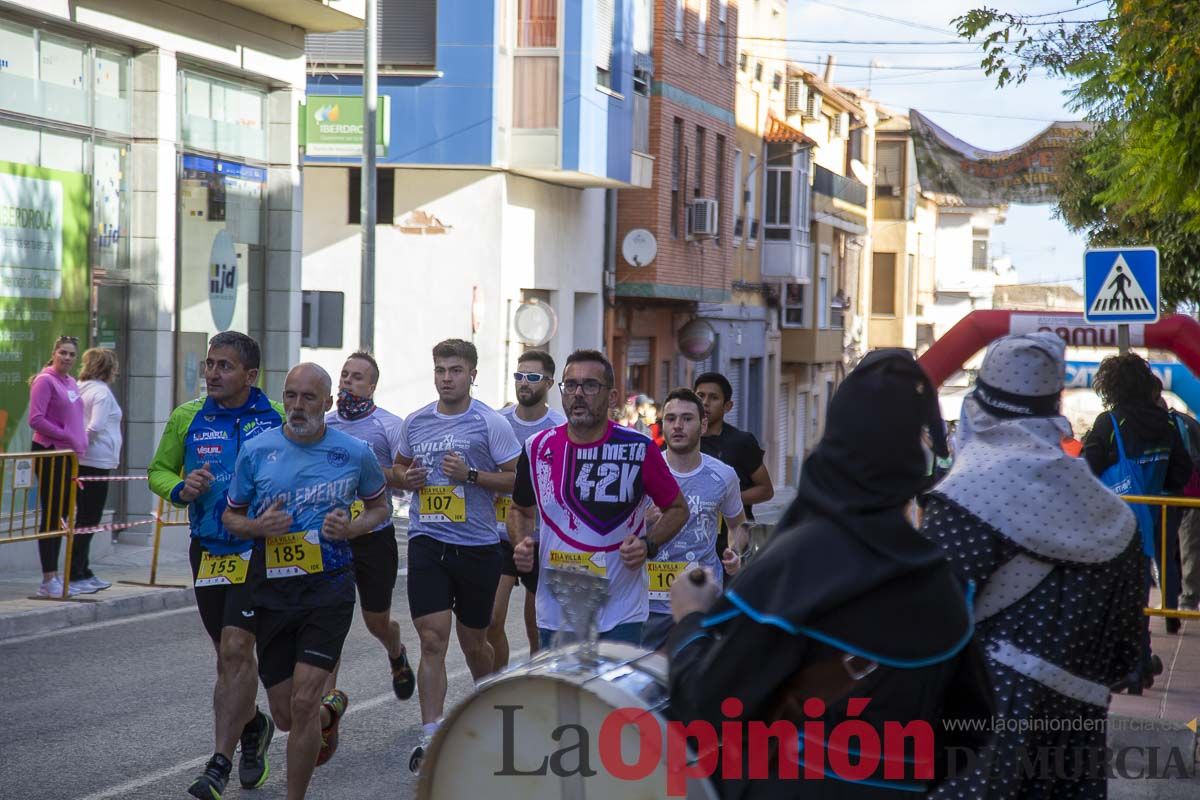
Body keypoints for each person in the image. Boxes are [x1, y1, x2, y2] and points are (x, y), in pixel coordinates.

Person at [668, 350, 993, 798]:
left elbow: (706, 708)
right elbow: (972, 728)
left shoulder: (795, 566)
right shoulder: (941, 581)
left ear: (832, 443)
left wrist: (690, 621)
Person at [921, 333, 1143, 800]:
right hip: (1078, 736)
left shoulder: (964, 499)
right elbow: (1127, 659)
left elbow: (927, 634)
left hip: (980, 734)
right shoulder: (1116, 519)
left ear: (979, 405)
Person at [223, 363, 390, 800]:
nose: (297, 407)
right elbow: (230, 515)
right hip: (272, 591)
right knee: (284, 715)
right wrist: (259, 526)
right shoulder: (257, 450)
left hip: (328, 589)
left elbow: (380, 507)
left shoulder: (354, 452)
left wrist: (353, 528)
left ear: (328, 403)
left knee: (302, 703)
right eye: (291, 396)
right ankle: (328, 716)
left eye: (309, 398)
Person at [148, 331, 281, 798]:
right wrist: (180, 488)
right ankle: (254, 726)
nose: (212, 374)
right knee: (226, 659)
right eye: (209, 365)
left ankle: (218, 765)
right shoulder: (188, 417)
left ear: (250, 375)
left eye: (224, 366)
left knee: (236, 650)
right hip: (207, 551)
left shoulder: (276, 419)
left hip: (257, 552)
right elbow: (157, 471)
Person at [393, 339, 522, 772]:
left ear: (472, 375)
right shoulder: (416, 421)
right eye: (440, 370)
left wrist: (469, 474)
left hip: (478, 547)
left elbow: (518, 482)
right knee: (431, 639)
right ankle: (431, 735)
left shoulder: (490, 422)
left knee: (474, 644)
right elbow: (397, 470)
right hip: (427, 540)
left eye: (455, 370)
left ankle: (488, 705)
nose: (446, 378)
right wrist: (406, 477)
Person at [509, 349, 688, 647]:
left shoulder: (639, 447)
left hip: (620, 613)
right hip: (558, 613)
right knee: (563, 695)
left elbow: (678, 508)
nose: (578, 394)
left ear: (612, 396)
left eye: (590, 386)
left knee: (610, 694)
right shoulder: (537, 447)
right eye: (571, 385)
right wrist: (521, 543)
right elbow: (519, 510)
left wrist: (649, 544)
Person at [320, 351, 415, 750]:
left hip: (374, 535)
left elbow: (405, 479)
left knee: (377, 622)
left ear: (372, 386)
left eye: (358, 378)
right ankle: (326, 714)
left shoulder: (389, 426)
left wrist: (369, 466)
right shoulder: (326, 425)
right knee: (329, 627)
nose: (348, 382)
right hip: (334, 537)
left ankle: (396, 650)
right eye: (345, 375)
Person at [1083, 353, 1192, 666]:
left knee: (1110, 590)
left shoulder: (1110, 422)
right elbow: (1181, 470)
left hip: (1114, 521)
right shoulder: (1167, 422)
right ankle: (1140, 657)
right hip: (1154, 513)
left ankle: (1122, 659)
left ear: (1111, 387)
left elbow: (1089, 468)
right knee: (1142, 588)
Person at [641, 388, 746, 650]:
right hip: (647, 602)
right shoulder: (642, 471)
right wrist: (645, 520)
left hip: (701, 599)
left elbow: (738, 526)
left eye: (687, 419)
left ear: (703, 424)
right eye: (670, 418)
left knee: (693, 681)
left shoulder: (723, 475)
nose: (677, 425)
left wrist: (734, 551)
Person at [488, 349, 566, 670]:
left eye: (532, 377)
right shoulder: (497, 421)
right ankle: (500, 682)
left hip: (542, 539)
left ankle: (536, 687)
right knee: (491, 620)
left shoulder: (559, 427)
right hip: (499, 534)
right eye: (519, 375)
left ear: (547, 383)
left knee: (537, 629)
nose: (524, 382)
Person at [28, 334, 88, 598]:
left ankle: (57, 576)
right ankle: (48, 578)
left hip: (68, 456)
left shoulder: (71, 382)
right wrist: (66, 435)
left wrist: (77, 442)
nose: (67, 358)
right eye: (63, 352)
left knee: (63, 515)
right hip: (50, 452)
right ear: (54, 353)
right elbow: (36, 419)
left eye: (72, 354)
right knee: (51, 515)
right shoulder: (45, 381)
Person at [694, 371, 774, 556]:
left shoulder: (741, 442)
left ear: (728, 406)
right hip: (691, 541)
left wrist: (727, 500)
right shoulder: (679, 440)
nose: (705, 403)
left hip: (733, 540)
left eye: (713, 398)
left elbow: (766, 490)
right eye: (700, 396)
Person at [72, 348, 124, 593]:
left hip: (85, 461)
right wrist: (81, 447)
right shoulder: (101, 393)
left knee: (84, 517)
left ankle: (82, 569)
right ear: (108, 368)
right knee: (89, 519)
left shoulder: (79, 387)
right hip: (96, 462)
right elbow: (95, 427)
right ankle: (76, 572)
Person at [1171, 408, 1200, 610]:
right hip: (1185, 494)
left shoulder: (1177, 425)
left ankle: (1188, 598)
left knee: (1189, 546)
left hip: (1188, 494)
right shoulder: (1184, 422)